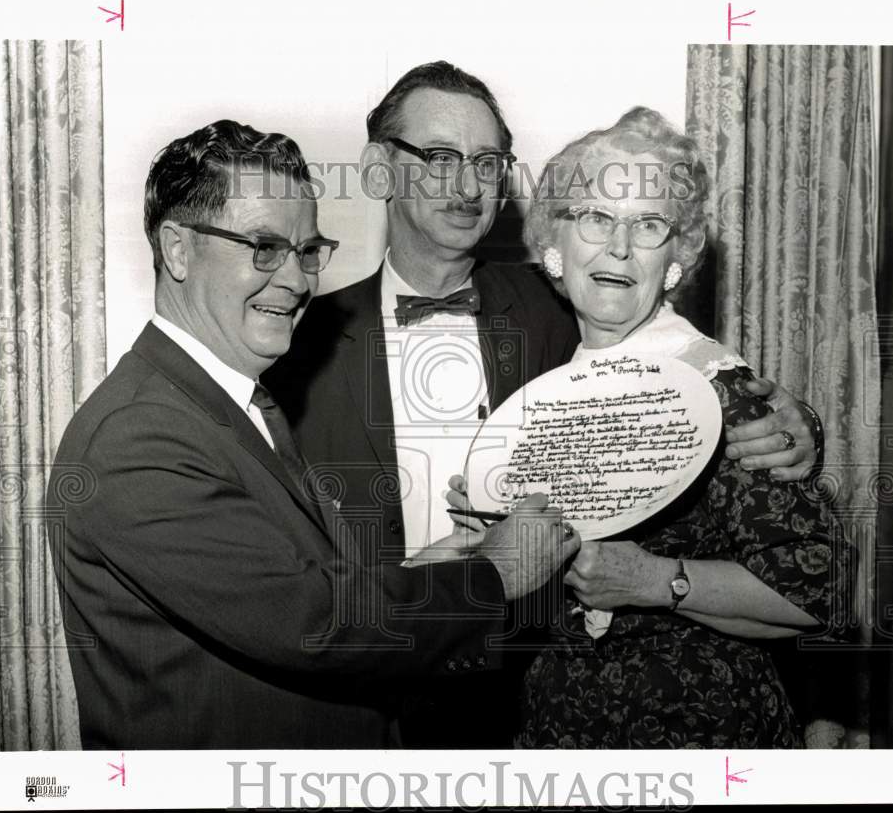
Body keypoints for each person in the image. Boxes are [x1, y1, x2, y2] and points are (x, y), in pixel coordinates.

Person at [265, 61, 825, 747]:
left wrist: (793, 421)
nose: (469, 185)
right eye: (441, 157)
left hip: (530, 690)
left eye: (487, 161)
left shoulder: (566, 307)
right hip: (374, 700)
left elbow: (687, 368)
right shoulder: (294, 345)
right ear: (378, 171)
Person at [46, 119, 579, 750]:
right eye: (263, 248)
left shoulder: (240, 401)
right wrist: (495, 572)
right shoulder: (137, 440)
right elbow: (314, 624)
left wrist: (426, 566)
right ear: (177, 248)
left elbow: (295, 584)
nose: (297, 281)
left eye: (306, 252)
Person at [453, 106, 855, 748]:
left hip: (702, 735)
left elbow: (821, 592)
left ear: (675, 254)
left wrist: (653, 579)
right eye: (595, 217)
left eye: (648, 224)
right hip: (556, 731)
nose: (618, 246)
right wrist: (495, 527)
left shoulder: (720, 391)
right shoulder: (548, 380)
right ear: (555, 242)